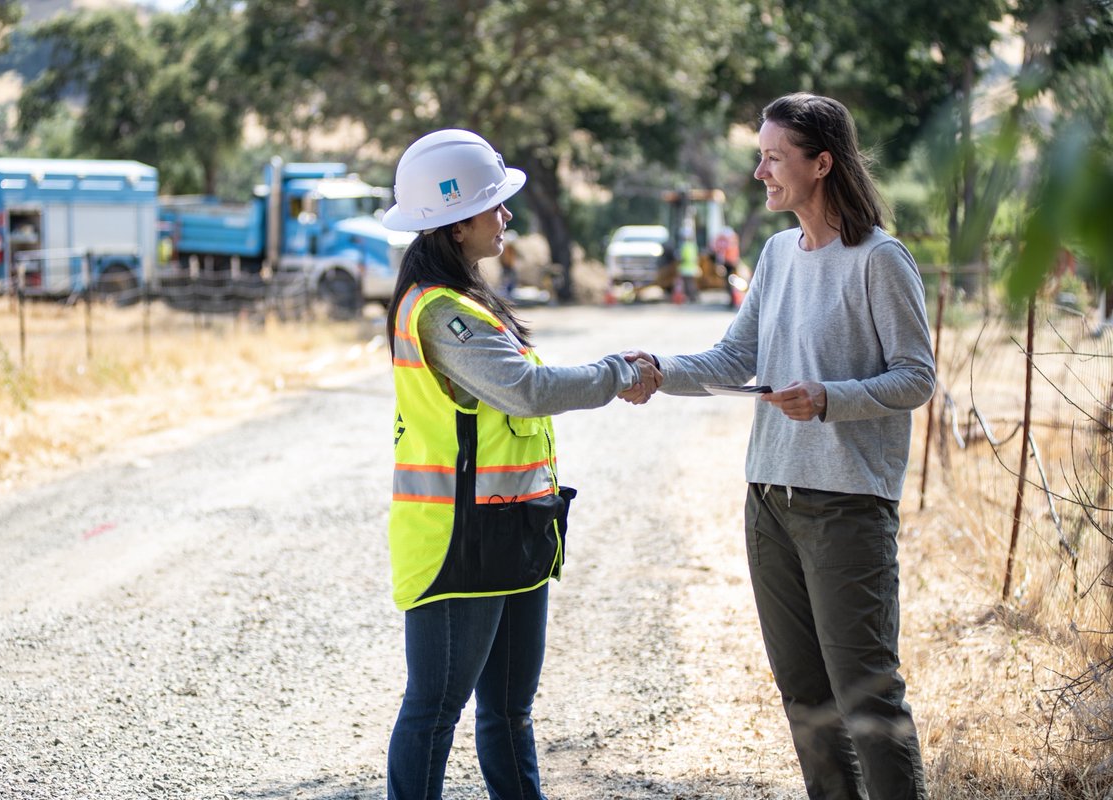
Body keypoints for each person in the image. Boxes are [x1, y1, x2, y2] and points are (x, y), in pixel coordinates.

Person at [624, 93, 935, 799]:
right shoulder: (774, 252)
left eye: (774, 157)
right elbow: (735, 358)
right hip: (768, 498)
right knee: (804, 697)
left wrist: (829, 397)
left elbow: (916, 377)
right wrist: (659, 372)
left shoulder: (880, 260)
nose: (760, 171)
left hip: (847, 506)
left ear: (821, 163)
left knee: (867, 700)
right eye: (759, 156)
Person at [380, 128, 660, 800]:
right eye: (494, 205)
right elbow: (529, 390)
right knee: (435, 710)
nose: (506, 216)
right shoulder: (442, 315)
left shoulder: (467, 302)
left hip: (513, 530)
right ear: (453, 223)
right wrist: (616, 372)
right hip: (459, 543)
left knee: (509, 710)